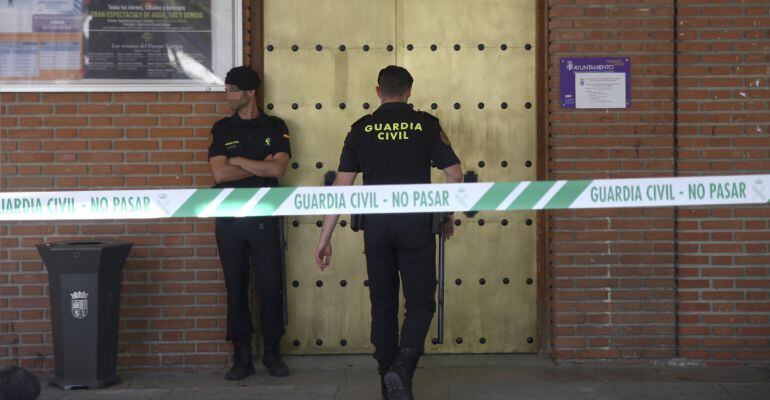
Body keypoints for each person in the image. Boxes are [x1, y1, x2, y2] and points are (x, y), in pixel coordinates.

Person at [314, 65, 462, 400]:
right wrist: (445, 212)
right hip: (415, 225)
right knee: (421, 301)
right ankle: (403, 368)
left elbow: (341, 186)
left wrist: (325, 239)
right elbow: (454, 173)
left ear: (378, 91)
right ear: (409, 90)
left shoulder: (360, 129)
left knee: (382, 303)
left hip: (376, 228)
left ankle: (388, 382)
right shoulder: (426, 125)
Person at [208, 66, 291, 380]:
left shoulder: (275, 126)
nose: (228, 95)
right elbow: (220, 174)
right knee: (236, 286)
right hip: (228, 218)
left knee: (270, 287)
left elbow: (278, 171)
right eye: (227, 89)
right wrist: (259, 166)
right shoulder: (222, 128)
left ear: (250, 92)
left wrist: (239, 161)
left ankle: (272, 353)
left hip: (265, 217)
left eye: (233, 90)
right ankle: (241, 357)